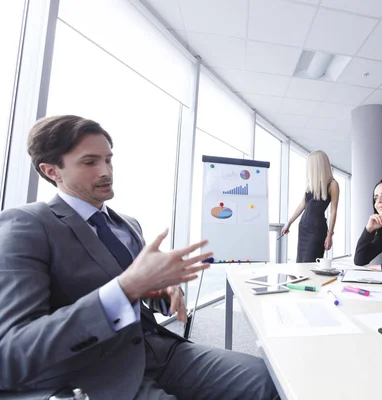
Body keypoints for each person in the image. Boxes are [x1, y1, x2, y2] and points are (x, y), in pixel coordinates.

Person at [0, 115, 279, 399]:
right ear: (51, 171)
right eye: (89, 162)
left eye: (108, 159)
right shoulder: (26, 225)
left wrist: (166, 291)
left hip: (158, 352)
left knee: (271, 383)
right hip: (95, 370)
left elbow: (145, 293)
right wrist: (127, 287)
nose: (106, 171)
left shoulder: (127, 224)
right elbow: (11, 351)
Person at [281, 150, 339, 263]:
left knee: (311, 264)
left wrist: (330, 234)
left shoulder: (333, 184)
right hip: (303, 227)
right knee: (301, 264)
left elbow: (334, 211)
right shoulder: (311, 184)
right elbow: (302, 205)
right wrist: (289, 222)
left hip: (317, 230)